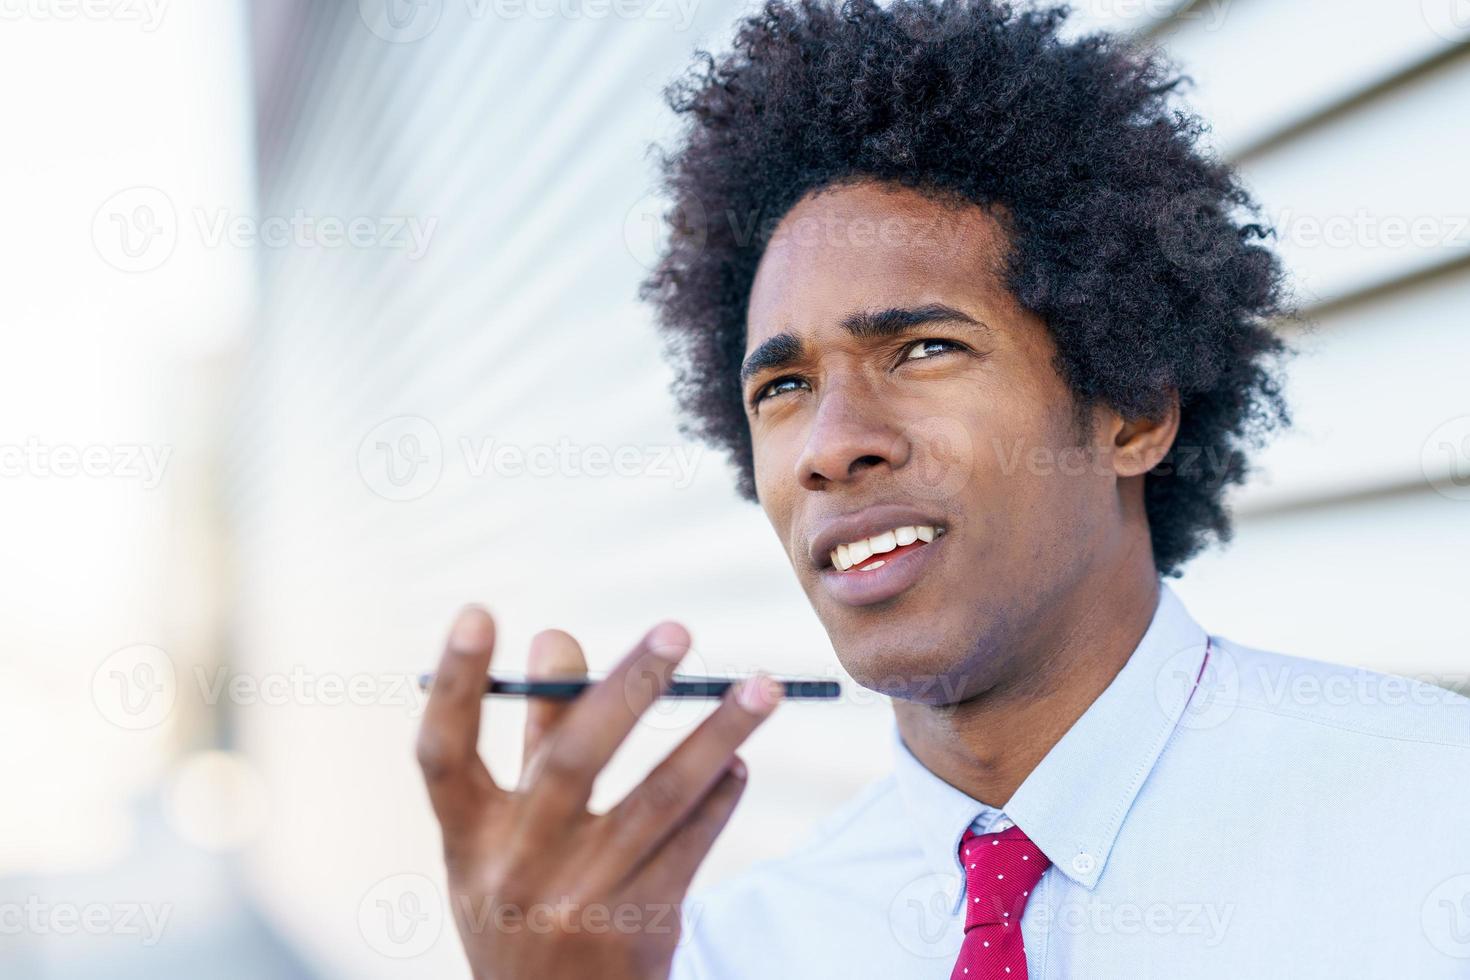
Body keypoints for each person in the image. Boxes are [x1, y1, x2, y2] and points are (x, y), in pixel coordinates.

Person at [414, 0, 1470, 976]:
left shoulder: (1435, 831)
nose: (830, 446)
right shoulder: (733, 947)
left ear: (1134, 410)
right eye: (783, 384)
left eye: (921, 349)